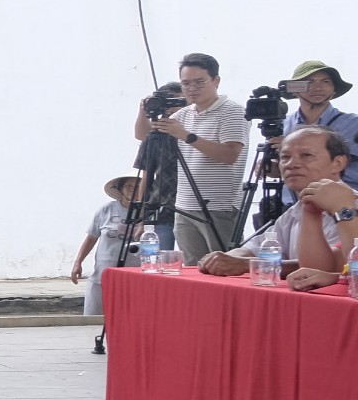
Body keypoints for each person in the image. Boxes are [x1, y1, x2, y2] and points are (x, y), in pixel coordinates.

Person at [135, 53, 248, 263]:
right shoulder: (184, 114)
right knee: (193, 267)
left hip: (219, 205)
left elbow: (230, 155)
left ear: (216, 80)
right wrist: (145, 111)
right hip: (184, 205)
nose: (192, 88)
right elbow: (144, 135)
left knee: (223, 264)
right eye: (186, 83)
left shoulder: (233, 111)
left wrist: (187, 135)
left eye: (199, 82)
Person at [199, 127, 354, 281]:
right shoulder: (297, 210)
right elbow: (254, 248)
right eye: (285, 157)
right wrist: (223, 259)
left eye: (306, 155)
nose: (292, 164)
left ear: (338, 163)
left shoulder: (351, 206)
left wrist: (248, 264)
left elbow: (334, 267)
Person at [274, 60, 358, 197]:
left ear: (334, 89)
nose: (318, 88)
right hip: (291, 204)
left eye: (326, 82)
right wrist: (275, 166)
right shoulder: (283, 124)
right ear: (294, 90)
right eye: (309, 82)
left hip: (341, 202)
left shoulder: (353, 124)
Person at [73, 171, 149, 317]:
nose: (133, 190)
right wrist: (78, 262)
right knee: (93, 320)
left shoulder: (149, 213)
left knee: (130, 319)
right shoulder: (106, 210)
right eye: (128, 186)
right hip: (102, 276)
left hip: (135, 278)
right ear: (120, 189)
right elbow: (91, 238)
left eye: (138, 186)